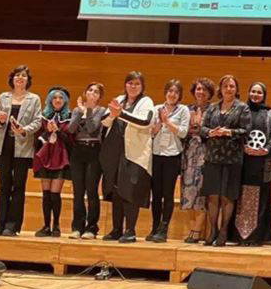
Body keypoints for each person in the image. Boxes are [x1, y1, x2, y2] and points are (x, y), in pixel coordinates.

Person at [100, 71, 155, 243]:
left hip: (135, 154)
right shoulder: (119, 99)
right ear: (125, 85)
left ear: (142, 86)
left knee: (130, 191)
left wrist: (121, 114)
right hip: (115, 152)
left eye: (137, 84)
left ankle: (130, 230)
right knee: (116, 190)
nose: (133, 86)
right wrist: (113, 114)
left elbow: (145, 122)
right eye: (130, 83)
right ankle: (116, 229)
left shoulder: (146, 101)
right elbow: (104, 121)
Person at [0, 65, 42, 236]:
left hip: (23, 146)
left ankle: (12, 226)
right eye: (17, 75)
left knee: (19, 186)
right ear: (12, 79)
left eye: (23, 76)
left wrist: (24, 129)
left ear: (28, 80)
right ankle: (0, 224)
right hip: (4, 145)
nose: (20, 78)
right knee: (3, 186)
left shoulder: (34, 99)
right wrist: (0, 120)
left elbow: (38, 121)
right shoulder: (3, 97)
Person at [200, 74, 251, 246]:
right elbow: (202, 128)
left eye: (232, 86)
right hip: (212, 157)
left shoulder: (242, 108)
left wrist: (229, 132)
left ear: (236, 89)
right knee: (213, 195)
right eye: (225, 86)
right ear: (220, 89)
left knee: (227, 196)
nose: (228, 89)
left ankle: (223, 231)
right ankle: (213, 230)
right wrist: (210, 132)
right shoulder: (212, 108)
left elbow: (246, 130)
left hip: (232, 158)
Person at [234, 82, 271, 246]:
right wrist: (243, 147)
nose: (255, 95)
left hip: (262, 162)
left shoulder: (269, 113)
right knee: (242, 196)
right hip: (243, 161)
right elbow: (237, 132)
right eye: (253, 91)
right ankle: (240, 237)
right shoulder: (241, 110)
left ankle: (256, 237)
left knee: (261, 199)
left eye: (259, 92)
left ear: (264, 95)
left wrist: (265, 149)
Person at [148, 79, 190, 243]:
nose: (172, 94)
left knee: (168, 193)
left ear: (180, 95)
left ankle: (164, 229)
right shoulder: (156, 108)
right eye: (170, 91)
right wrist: (159, 123)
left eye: (176, 92)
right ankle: (154, 227)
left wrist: (167, 122)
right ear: (165, 92)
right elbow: (151, 132)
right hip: (156, 154)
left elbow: (183, 132)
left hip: (172, 155)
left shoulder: (183, 110)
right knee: (156, 193)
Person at [67, 82, 105, 239]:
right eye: (90, 90)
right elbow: (70, 129)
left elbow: (92, 128)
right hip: (78, 151)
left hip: (93, 150)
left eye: (96, 92)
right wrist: (79, 112)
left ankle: (91, 227)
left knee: (91, 190)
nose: (92, 93)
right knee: (78, 191)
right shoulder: (77, 110)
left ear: (99, 96)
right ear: (85, 92)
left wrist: (88, 110)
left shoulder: (102, 111)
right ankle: (77, 226)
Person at [33, 86, 72, 238]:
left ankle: (56, 226)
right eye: (54, 98)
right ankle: (45, 226)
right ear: (50, 100)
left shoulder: (69, 117)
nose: (57, 100)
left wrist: (58, 131)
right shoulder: (43, 117)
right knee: (46, 194)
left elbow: (71, 141)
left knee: (55, 194)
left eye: (61, 98)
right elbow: (36, 140)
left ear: (65, 101)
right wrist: (47, 131)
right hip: (45, 157)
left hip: (60, 158)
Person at [181, 78, 215, 243]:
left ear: (210, 93)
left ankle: (197, 230)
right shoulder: (187, 109)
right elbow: (181, 131)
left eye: (204, 90)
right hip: (188, 155)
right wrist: (189, 129)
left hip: (205, 156)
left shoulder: (213, 110)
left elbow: (212, 132)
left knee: (200, 194)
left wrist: (199, 129)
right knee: (188, 194)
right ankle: (193, 229)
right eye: (198, 89)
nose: (201, 92)